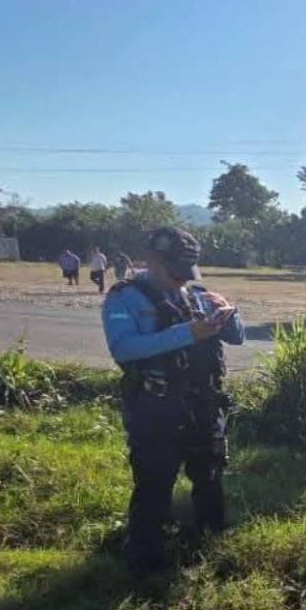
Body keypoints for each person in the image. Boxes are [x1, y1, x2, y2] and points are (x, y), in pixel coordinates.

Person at [101, 226, 244, 575]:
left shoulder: (196, 293)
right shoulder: (125, 298)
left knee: (209, 478)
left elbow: (237, 338)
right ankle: (145, 563)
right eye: (175, 269)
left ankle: (211, 545)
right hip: (156, 408)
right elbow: (125, 348)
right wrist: (185, 334)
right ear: (151, 259)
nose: (182, 278)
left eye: (187, 269)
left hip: (203, 405)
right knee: (154, 484)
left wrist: (230, 314)